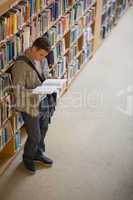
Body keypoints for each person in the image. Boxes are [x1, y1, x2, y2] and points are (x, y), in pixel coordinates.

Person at [11, 37, 56, 173]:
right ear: (33, 48)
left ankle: (38, 153)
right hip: (29, 105)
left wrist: (53, 82)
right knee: (35, 135)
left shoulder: (42, 60)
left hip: (44, 100)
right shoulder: (20, 65)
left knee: (44, 127)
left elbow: (46, 75)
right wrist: (35, 92)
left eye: (45, 56)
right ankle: (28, 158)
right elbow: (17, 90)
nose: (43, 59)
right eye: (41, 55)